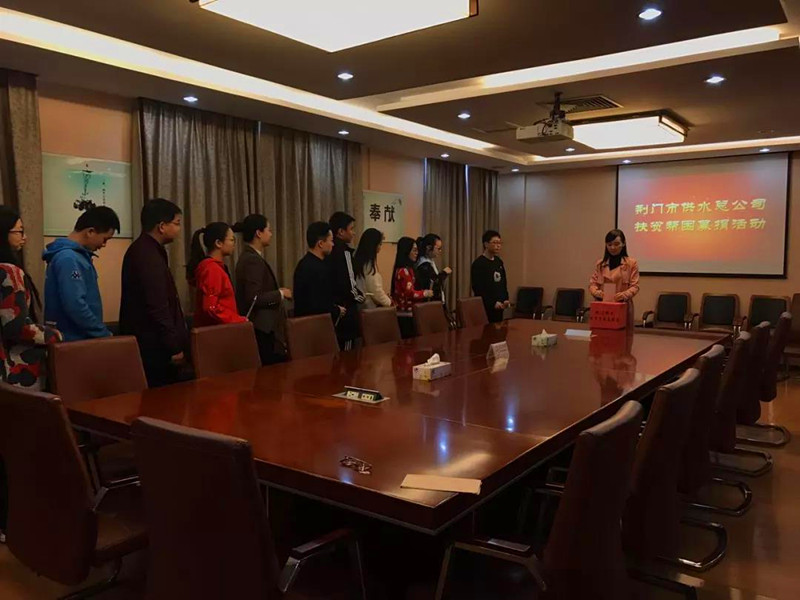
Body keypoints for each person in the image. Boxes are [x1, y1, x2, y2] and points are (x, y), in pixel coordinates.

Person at [119, 199, 189, 387]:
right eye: (177, 223)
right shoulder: (146, 254)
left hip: (152, 343)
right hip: (153, 347)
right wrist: (173, 345)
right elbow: (157, 305)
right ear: (162, 226)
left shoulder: (147, 250)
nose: (179, 229)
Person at [0, 206, 61, 390]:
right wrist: (54, 335)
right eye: (19, 231)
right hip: (13, 369)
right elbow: (17, 327)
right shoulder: (8, 271)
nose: (24, 237)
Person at [43, 206, 120, 341]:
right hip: (73, 340)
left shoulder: (76, 257)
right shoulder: (68, 258)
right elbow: (75, 305)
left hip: (78, 338)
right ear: (90, 232)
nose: (104, 245)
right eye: (105, 239)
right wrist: (102, 333)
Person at [233, 214, 292, 365]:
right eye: (269, 230)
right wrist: (280, 293)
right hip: (261, 328)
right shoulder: (252, 260)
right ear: (259, 233)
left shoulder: (250, 256)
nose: (271, 234)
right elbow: (254, 297)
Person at [187, 222, 247, 328]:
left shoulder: (215, 267)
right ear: (218, 243)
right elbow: (211, 307)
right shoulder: (212, 269)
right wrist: (238, 320)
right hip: (216, 332)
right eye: (232, 240)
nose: (234, 244)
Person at [294, 221, 344, 323]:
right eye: (331, 241)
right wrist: (337, 310)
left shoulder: (304, 263)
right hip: (315, 324)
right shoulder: (316, 268)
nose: (333, 244)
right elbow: (318, 303)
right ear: (321, 243)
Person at [327, 211, 364, 350]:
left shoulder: (329, 251)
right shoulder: (344, 252)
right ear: (341, 232)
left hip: (333, 310)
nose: (353, 233)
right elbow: (349, 283)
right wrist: (361, 297)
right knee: (348, 355)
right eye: (351, 229)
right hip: (346, 311)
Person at [589, 229, 640, 328]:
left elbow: (635, 286)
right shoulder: (600, 264)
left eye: (616, 244)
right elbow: (593, 284)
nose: (613, 247)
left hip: (622, 305)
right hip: (602, 307)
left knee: (622, 334)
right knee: (601, 334)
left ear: (623, 244)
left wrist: (624, 295)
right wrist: (597, 292)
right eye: (609, 244)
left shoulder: (631, 263)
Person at [471, 230, 510, 323]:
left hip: (499, 307)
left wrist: (505, 299)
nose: (498, 245)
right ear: (486, 244)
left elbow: (503, 283)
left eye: (499, 243)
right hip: (485, 307)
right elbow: (478, 288)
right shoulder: (479, 263)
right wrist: (492, 303)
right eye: (495, 243)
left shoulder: (498, 262)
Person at [353, 228, 392, 309]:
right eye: (379, 244)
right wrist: (389, 302)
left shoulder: (358, 259)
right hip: (368, 308)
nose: (380, 247)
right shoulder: (368, 265)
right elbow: (375, 290)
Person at [415, 233, 452, 306]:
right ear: (428, 247)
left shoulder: (430, 261)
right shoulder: (424, 265)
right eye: (438, 248)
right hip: (428, 303)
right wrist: (444, 273)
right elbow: (433, 283)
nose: (440, 251)